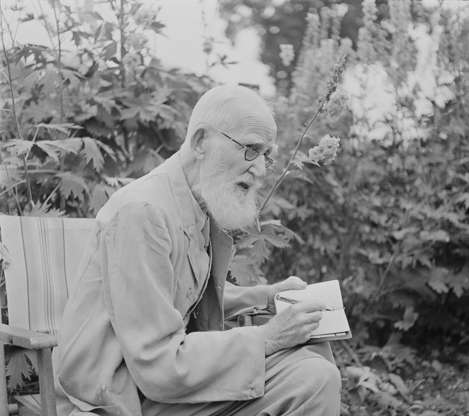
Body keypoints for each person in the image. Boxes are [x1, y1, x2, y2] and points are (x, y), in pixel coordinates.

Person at [53, 85, 341, 416]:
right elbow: (156, 362)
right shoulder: (143, 214)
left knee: (313, 346)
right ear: (201, 141)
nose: (261, 170)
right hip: (120, 395)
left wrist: (268, 297)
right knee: (312, 379)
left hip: (155, 383)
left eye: (267, 155)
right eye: (251, 149)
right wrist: (267, 338)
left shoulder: (193, 202)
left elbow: (178, 293)